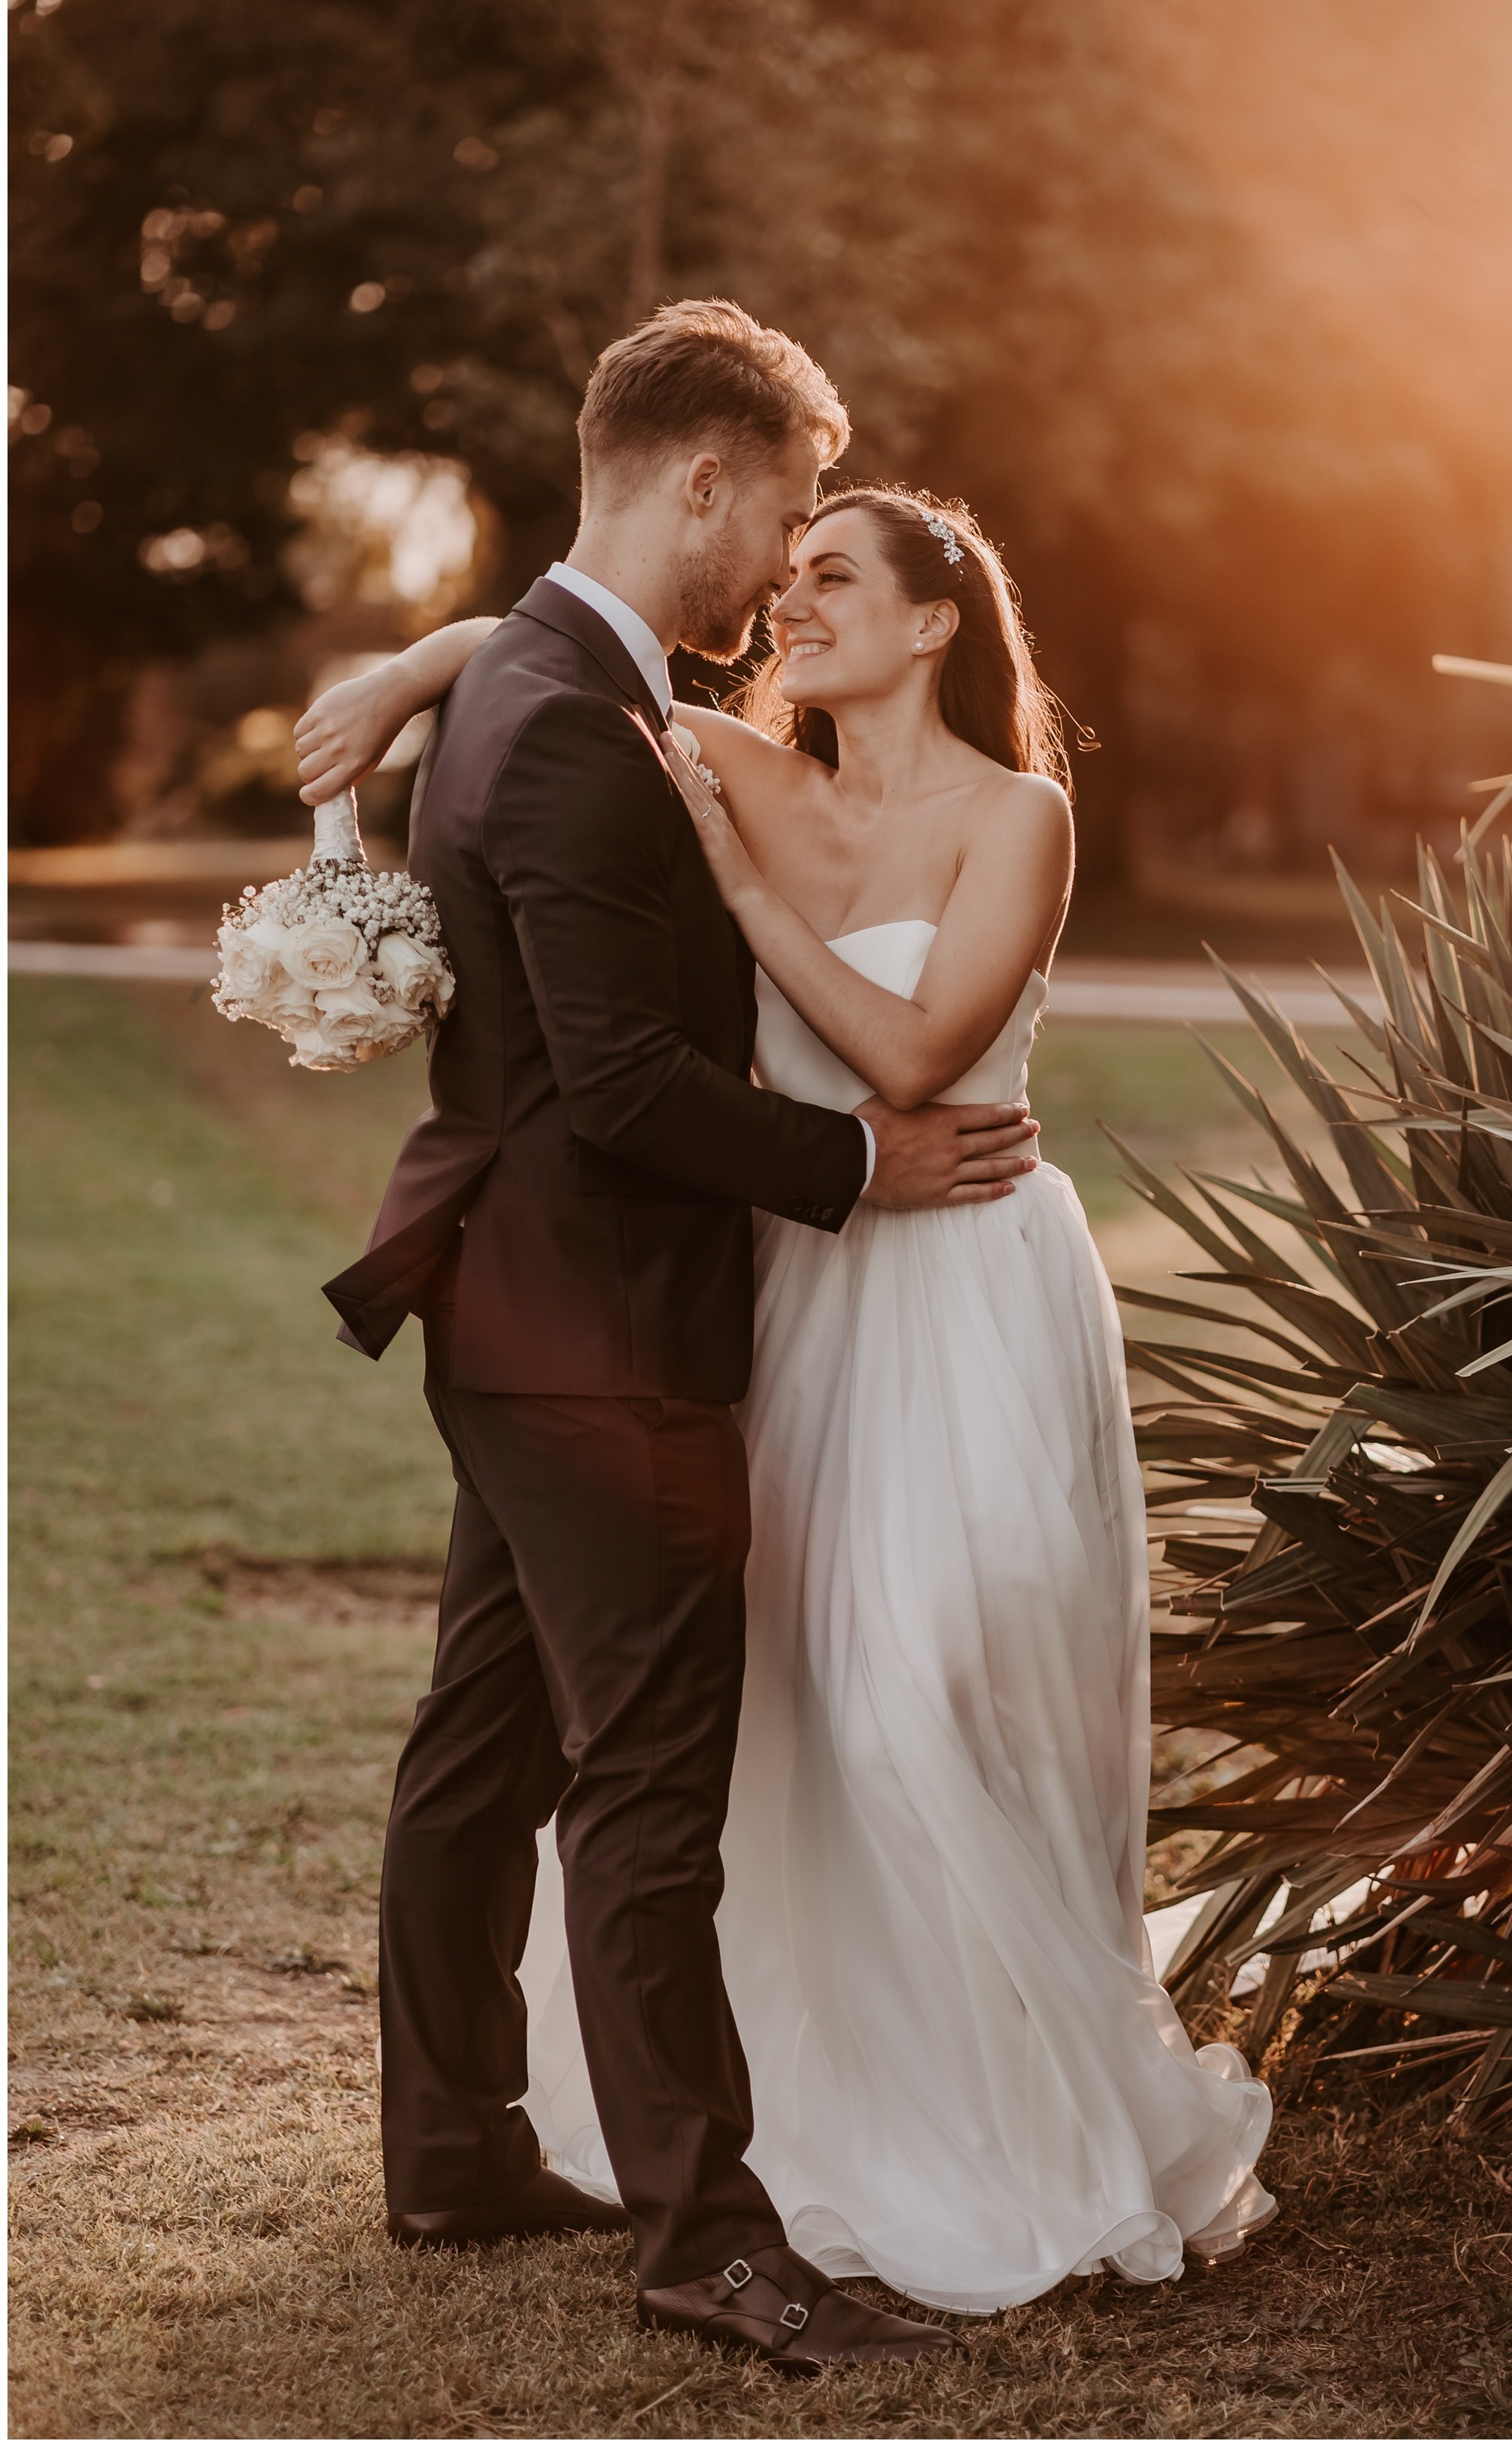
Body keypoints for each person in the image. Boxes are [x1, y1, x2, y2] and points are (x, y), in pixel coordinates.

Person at [300, 354, 1274, 2325]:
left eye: (842, 565)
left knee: (517, 1741)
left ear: (936, 623)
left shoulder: (640, 713)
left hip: (714, 1303)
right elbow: (628, 1070)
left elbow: (582, 666)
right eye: (787, 530)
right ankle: (701, 2228)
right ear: (707, 486)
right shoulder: (628, 731)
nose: (787, 589)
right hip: (655, 1304)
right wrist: (853, 1165)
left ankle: (463, 2152)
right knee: (665, 1776)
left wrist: (441, 656)